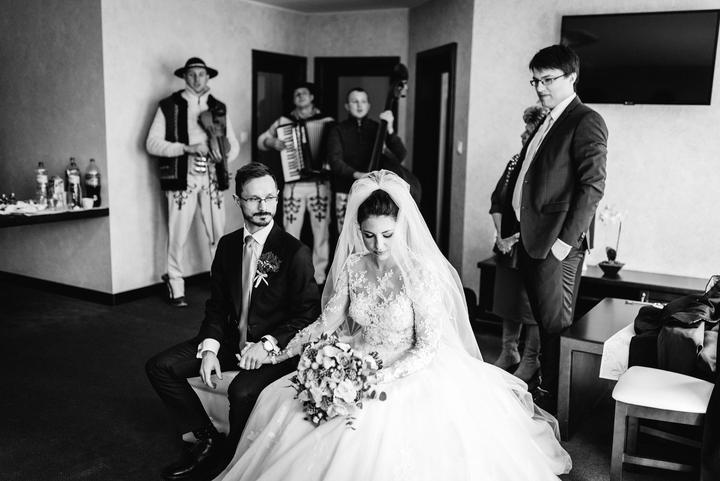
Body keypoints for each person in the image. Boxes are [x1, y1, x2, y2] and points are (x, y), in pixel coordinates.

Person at [212, 170, 571, 481]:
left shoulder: (420, 271)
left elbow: (426, 348)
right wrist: (276, 352)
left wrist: (375, 378)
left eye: (387, 234)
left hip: (410, 369)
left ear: (402, 226)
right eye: (369, 235)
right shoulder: (353, 265)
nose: (378, 244)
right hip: (358, 359)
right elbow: (324, 324)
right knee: (294, 410)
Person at [145, 162, 320, 480]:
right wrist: (210, 349)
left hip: (274, 350)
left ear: (277, 197)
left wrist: (268, 344)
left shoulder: (295, 252)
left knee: (241, 391)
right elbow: (216, 305)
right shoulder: (227, 246)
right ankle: (206, 439)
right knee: (160, 366)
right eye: (254, 199)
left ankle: (229, 459)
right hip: (230, 340)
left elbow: (308, 314)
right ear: (238, 200)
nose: (263, 206)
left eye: (270, 197)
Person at [508, 45, 608, 411]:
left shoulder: (586, 120)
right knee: (543, 322)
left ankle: (552, 404)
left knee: (555, 327)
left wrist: (564, 243)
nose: (540, 87)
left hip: (557, 244)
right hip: (532, 239)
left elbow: (592, 186)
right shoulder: (547, 120)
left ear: (572, 77)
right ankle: (544, 390)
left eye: (548, 79)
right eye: (535, 80)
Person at [147, 57, 240, 307]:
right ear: (184, 77)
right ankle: (175, 282)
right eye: (191, 74)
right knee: (177, 233)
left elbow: (233, 145)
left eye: (201, 74)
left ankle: (221, 286)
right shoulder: (169, 105)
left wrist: (222, 155)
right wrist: (186, 148)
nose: (197, 79)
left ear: (208, 76)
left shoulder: (218, 107)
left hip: (211, 175)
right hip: (182, 175)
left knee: (217, 233)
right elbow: (152, 143)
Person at [489, 105, 548, 387]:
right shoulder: (515, 162)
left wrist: (519, 237)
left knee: (529, 304)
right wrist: (502, 237)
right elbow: (496, 201)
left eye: (529, 130)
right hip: (507, 244)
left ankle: (530, 358)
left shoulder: (545, 165)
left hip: (531, 244)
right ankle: (509, 351)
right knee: (508, 299)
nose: (523, 134)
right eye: (524, 129)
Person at [257, 82, 334, 284]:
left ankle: (319, 276)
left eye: (303, 93)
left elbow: (336, 149)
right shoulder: (284, 121)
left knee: (321, 231)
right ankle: (291, 274)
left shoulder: (327, 122)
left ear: (312, 97)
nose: (299, 96)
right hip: (294, 184)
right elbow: (261, 140)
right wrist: (272, 142)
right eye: (296, 93)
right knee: (291, 231)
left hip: (319, 184)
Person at [326, 87, 407, 233]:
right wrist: (359, 175)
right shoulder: (337, 130)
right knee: (347, 235)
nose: (359, 105)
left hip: (375, 192)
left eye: (363, 101)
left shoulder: (378, 128)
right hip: (346, 191)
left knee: (372, 234)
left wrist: (390, 129)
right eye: (355, 101)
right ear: (347, 106)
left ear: (368, 105)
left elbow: (400, 155)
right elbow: (335, 162)